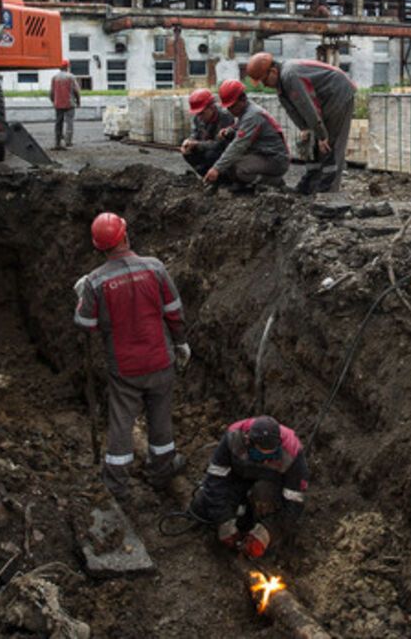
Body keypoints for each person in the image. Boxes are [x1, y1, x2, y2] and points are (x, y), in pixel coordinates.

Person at [73, 212, 190, 498]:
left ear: (98, 246)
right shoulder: (155, 268)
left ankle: (116, 484)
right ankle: (162, 469)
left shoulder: (96, 282)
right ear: (125, 236)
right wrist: (181, 342)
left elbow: (86, 324)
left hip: (125, 367)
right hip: (161, 358)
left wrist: (81, 298)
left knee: (122, 422)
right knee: (160, 417)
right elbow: (174, 311)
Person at [189, 415, 308, 558]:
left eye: (271, 456)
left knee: (263, 493)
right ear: (248, 442)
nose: (265, 462)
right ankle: (234, 522)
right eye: (260, 455)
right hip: (238, 480)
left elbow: (294, 503)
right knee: (200, 505)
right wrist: (223, 520)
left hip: (267, 490)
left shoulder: (292, 452)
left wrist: (268, 531)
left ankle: (257, 532)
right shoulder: (234, 437)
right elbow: (215, 480)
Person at [246, 52, 356, 194]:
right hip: (325, 97)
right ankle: (311, 186)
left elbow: (307, 106)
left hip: (337, 92)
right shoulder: (281, 83)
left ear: (273, 71)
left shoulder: (289, 76)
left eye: (264, 80)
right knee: (313, 145)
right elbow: (292, 109)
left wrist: (322, 135)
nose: (264, 85)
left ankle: (329, 195)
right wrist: (305, 128)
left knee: (331, 145)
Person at [204, 79, 289, 191]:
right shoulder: (245, 111)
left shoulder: (252, 115)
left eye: (232, 106)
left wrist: (216, 168)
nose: (230, 111)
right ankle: (245, 183)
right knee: (230, 163)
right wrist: (229, 130)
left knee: (240, 169)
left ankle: (274, 182)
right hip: (263, 153)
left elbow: (239, 145)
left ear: (242, 99)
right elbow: (239, 127)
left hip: (274, 158)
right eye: (228, 107)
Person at [180, 87, 234, 175]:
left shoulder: (225, 117)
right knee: (188, 153)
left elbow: (219, 144)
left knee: (211, 154)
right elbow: (195, 132)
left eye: (202, 113)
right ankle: (205, 175)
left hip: (223, 152)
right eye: (197, 114)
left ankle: (222, 180)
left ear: (211, 107)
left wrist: (197, 144)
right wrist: (189, 142)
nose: (200, 117)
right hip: (206, 146)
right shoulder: (198, 117)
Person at [49, 60, 81, 149]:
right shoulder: (71, 77)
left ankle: (57, 142)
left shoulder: (54, 78)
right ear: (67, 67)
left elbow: (51, 92)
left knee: (58, 123)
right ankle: (68, 141)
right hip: (69, 103)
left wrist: (53, 101)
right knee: (69, 122)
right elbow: (76, 91)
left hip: (58, 104)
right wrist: (78, 101)